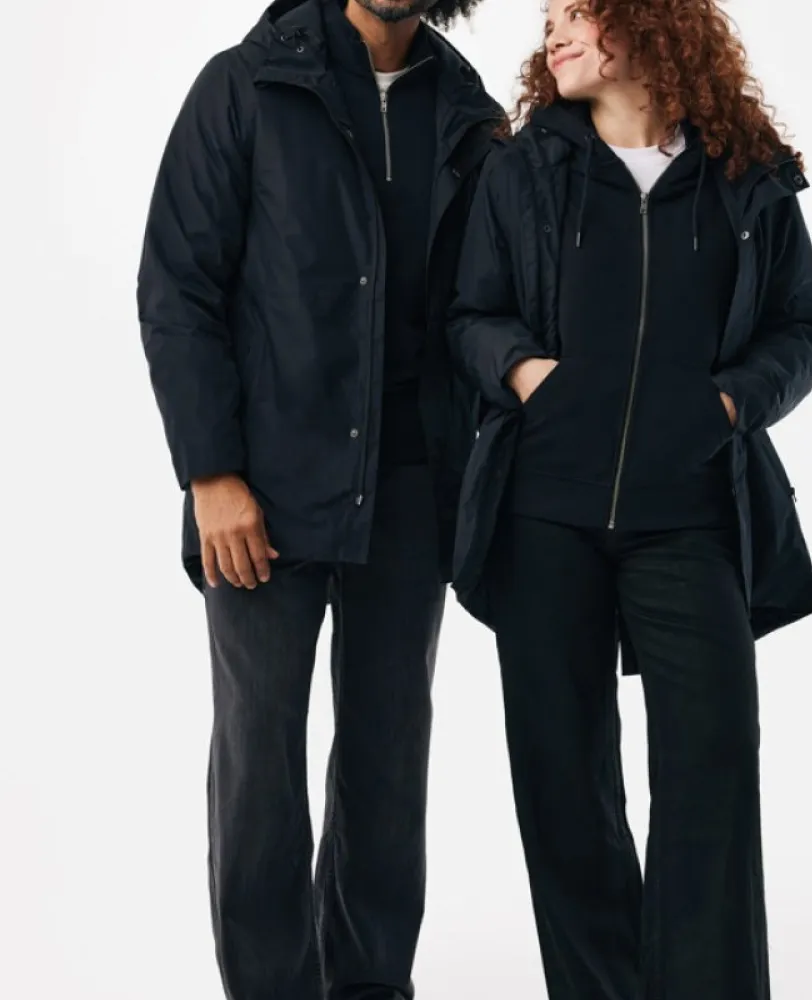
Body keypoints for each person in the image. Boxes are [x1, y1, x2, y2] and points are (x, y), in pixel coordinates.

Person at [447, 0, 812, 997]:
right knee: (563, 786)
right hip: (545, 516)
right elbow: (472, 312)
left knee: (712, 773)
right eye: (549, 19)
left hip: (690, 516)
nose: (553, 34)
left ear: (649, 22)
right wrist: (528, 374)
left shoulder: (744, 177)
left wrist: (729, 403)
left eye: (576, 12)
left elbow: (800, 328)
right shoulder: (525, 169)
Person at [137, 1, 499, 998]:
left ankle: (372, 984)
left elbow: (477, 308)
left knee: (389, 756)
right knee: (259, 757)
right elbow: (177, 286)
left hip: (412, 490)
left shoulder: (466, 110)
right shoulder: (246, 85)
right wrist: (212, 475)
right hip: (263, 487)